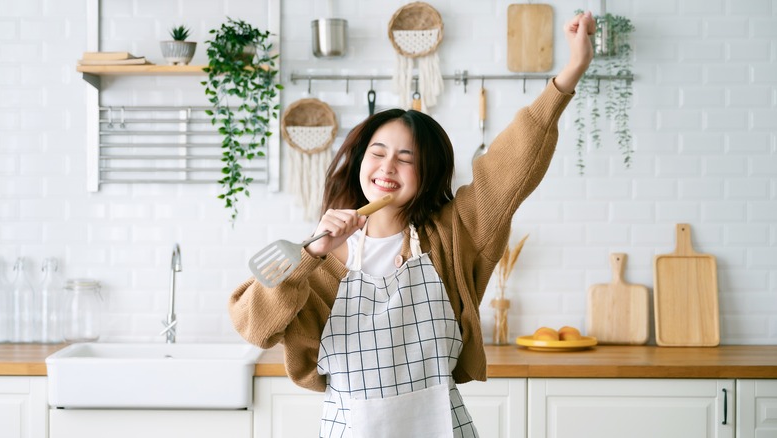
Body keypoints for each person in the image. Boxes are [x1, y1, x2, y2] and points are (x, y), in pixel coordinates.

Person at [230, 11, 595, 438]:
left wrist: (572, 71)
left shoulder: (457, 233)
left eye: (407, 158)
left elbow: (510, 165)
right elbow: (252, 326)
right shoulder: (316, 258)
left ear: (428, 174)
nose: (387, 167)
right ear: (359, 161)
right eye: (377, 152)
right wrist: (311, 254)